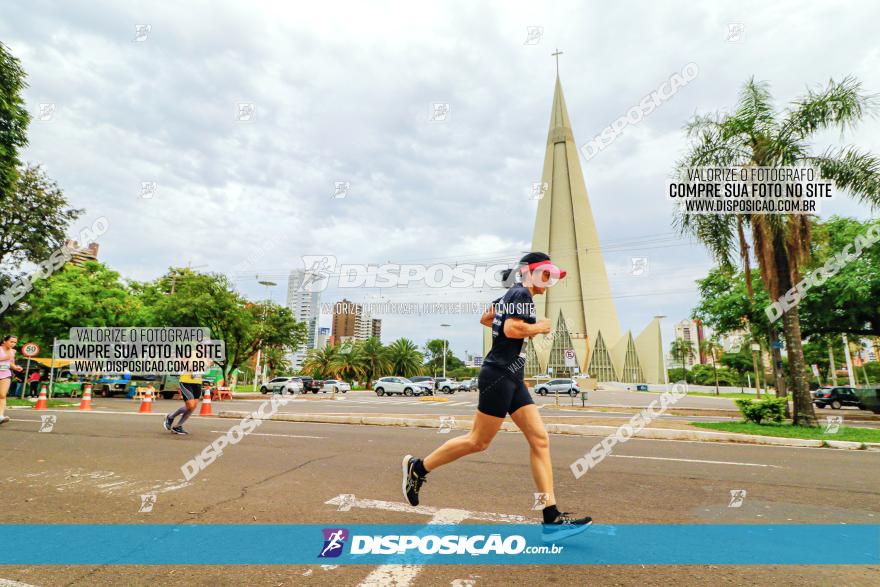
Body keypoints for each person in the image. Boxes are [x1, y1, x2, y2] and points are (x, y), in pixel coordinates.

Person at [402, 252, 592, 541]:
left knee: (540, 440)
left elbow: (486, 318)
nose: (548, 282)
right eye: (545, 275)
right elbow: (511, 328)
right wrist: (539, 327)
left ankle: (550, 518)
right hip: (499, 375)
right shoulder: (521, 293)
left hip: (512, 376)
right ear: (529, 272)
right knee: (478, 441)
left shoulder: (509, 296)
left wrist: (509, 322)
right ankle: (418, 467)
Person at [0, 335, 25, 425]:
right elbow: (6, 359)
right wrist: (5, 358)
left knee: (2, 395)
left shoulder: (12, 351)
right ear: (4, 341)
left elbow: (10, 363)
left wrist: (16, 367)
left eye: (15, 342)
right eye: (11, 342)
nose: (13, 344)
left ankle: (0, 416)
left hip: (5, 373)